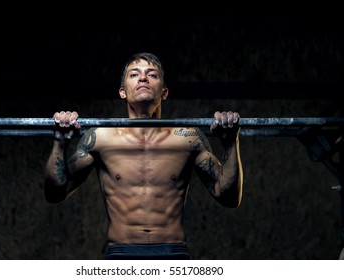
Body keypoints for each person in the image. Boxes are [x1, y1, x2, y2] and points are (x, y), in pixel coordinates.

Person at [44, 52, 243, 260]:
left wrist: (231, 143)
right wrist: (59, 142)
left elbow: (228, 197)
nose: (143, 78)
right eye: (134, 74)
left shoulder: (188, 139)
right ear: (122, 92)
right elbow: (55, 193)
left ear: (164, 92)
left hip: (172, 254)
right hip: (121, 254)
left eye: (152, 75)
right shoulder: (100, 138)